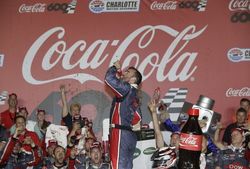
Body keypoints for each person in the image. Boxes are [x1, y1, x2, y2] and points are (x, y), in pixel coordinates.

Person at [105, 60, 142, 169]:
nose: (124, 73)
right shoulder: (135, 96)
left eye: (128, 72)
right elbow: (138, 119)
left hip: (120, 133)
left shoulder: (126, 89)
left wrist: (114, 68)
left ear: (133, 79)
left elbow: (109, 79)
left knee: (117, 166)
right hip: (130, 136)